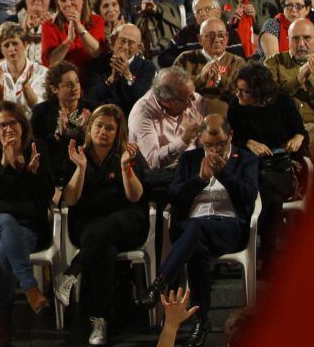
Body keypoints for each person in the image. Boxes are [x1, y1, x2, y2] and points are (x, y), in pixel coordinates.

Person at [136, 115, 259, 347]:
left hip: (228, 227)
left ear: (229, 136)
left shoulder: (245, 159)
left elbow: (249, 196)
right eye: (208, 145)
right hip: (192, 226)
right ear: (201, 140)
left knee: (195, 232)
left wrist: (223, 174)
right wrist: (201, 179)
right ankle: (201, 322)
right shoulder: (190, 159)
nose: (214, 150)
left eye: (220, 145)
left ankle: (160, 283)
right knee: (196, 243)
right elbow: (174, 196)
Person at [53, 104, 147, 346]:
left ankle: (72, 272)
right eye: (99, 126)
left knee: (116, 221)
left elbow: (135, 197)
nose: (103, 132)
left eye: (110, 128)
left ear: (118, 132)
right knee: (104, 250)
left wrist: (126, 166)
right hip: (90, 225)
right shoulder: (76, 154)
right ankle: (100, 321)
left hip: (127, 221)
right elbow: (71, 199)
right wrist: (81, 168)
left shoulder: (128, 154)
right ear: (90, 128)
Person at [0, 100, 54, 345]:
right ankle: (30, 287)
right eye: (2, 125)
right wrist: (3, 165)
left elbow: (48, 195)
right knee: (6, 222)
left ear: (22, 124)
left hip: (28, 226)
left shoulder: (37, 148)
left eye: (12, 123)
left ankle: (4, 316)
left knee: (3, 250)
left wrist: (33, 174)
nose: (8, 129)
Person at [228, 63, 308, 262]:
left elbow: (301, 132)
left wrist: (298, 137)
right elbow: (231, 141)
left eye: (244, 91)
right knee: (269, 192)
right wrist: (247, 142)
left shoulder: (282, 101)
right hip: (252, 168)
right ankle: (268, 255)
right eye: (238, 90)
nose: (239, 95)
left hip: (283, 165)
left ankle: (246, 241)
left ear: (258, 93)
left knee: (270, 188)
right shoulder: (236, 106)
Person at [128, 67, 206, 207]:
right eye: (188, 98)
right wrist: (184, 140)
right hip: (161, 174)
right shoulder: (142, 114)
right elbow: (153, 162)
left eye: (192, 93)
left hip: (192, 165)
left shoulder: (195, 100)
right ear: (167, 101)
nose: (194, 99)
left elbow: (202, 141)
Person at [264, 18, 314, 152]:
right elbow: (269, 101)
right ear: (288, 40)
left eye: (307, 38)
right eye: (295, 39)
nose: (301, 44)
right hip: (282, 129)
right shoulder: (273, 63)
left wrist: (310, 78)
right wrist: (298, 80)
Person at [173, 18, 246, 117]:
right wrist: (200, 78)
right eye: (211, 36)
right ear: (200, 39)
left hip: (227, 119)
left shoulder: (237, 62)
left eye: (221, 35)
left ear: (227, 38)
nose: (216, 40)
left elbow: (244, 96)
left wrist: (220, 80)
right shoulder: (185, 58)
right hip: (189, 117)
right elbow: (172, 90)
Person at [85, 23, 156, 108]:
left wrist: (127, 75)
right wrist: (111, 80)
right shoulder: (97, 64)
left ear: (138, 48)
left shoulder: (147, 67)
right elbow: (90, 97)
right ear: (114, 41)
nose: (125, 47)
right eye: (122, 41)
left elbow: (141, 101)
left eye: (131, 43)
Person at [0, 22, 48, 113]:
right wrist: (0, 87)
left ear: (25, 44)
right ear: (1, 49)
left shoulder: (42, 72)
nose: (11, 49)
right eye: (6, 45)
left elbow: (38, 108)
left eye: (15, 43)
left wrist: (26, 87)